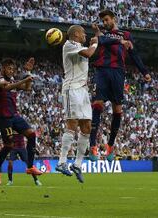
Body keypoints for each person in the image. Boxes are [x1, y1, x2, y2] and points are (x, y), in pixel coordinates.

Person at [89, 9, 151, 161]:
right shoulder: (101, 33)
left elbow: (133, 54)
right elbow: (102, 41)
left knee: (118, 109)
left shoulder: (126, 34)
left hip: (118, 72)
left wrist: (144, 71)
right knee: (97, 104)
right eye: (103, 21)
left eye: (106, 20)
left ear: (114, 19)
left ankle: (110, 146)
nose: (104, 23)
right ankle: (92, 146)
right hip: (103, 70)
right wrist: (118, 41)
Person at [55, 25, 98, 183]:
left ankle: (78, 164)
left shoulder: (79, 45)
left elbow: (88, 49)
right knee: (72, 123)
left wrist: (97, 36)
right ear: (76, 34)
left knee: (87, 126)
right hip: (71, 89)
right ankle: (61, 162)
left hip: (83, 90)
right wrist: (95, 43)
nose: (85, 35)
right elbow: (88, 53)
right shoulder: (69, 45)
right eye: (83, 33)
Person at [0, 58, 42, 186]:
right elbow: (7, 87)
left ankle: (30, 167)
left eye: (13, 69)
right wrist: (24, 79)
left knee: (31, 134)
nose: (11, 70)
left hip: (14, 116)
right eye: (9, 68)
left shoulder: (13, 81)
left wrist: (28, 72)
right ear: (3, 69)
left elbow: (28, 88)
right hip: (4, 117)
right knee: (9, 145)